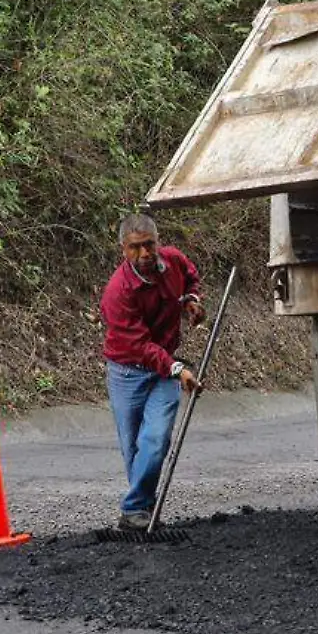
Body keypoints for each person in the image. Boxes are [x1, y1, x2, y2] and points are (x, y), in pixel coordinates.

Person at [100, 214, 205, 534]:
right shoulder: (117, 293)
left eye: (149, 245)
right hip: (126, 372)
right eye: (136, 248)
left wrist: (191, 299)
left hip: (163, 372)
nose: (145, 253)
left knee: (155, 439)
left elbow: (190, 277)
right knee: (134, 449)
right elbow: (140, 345)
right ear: (123, 250)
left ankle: (132, 510)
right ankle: (143, 508)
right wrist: (178, 369)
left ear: (158, 242)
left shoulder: (172, 261)